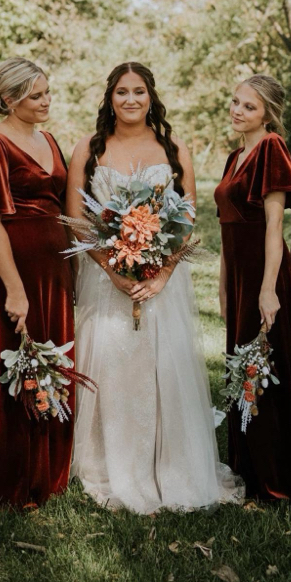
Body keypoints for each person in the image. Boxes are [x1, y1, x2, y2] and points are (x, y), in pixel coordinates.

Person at [68, 62, 242, 513]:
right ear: (110, 97)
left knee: (164, 364)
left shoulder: (172, 147)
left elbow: (185, 218)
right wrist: (113, 271)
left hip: (165, 279)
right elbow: (76, 222)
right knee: (113, 362)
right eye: (122, 92)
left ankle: (170, 463)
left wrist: (162, 272)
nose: (130, 100)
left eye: (139, 91)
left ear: (151, 96)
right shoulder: (88, 148)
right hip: (106, 279)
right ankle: (111, 462)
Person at [0, 58, 73, 507]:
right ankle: (16, 478)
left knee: (55, 361)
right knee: (17, 366)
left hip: (54, 267)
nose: (46, 101)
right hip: (15, 268)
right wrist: (14, 287)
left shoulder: (48, 138)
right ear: (8, 99)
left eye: (47, 92)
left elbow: (64, 205)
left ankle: (52, 472)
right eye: (35, 95)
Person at [215, 74, 291, 501]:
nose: (237, 110)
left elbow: (275, 225)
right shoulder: (235, 157)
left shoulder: (271, 149)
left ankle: (274, 481)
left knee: (263, 370)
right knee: (241, 366)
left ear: (268, 113)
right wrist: (222, 285)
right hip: (237, 273)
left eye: (248, 107)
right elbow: (225, 230)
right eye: (235, 102)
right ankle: (247, 468)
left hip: (263, 272)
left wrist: (268, 288)